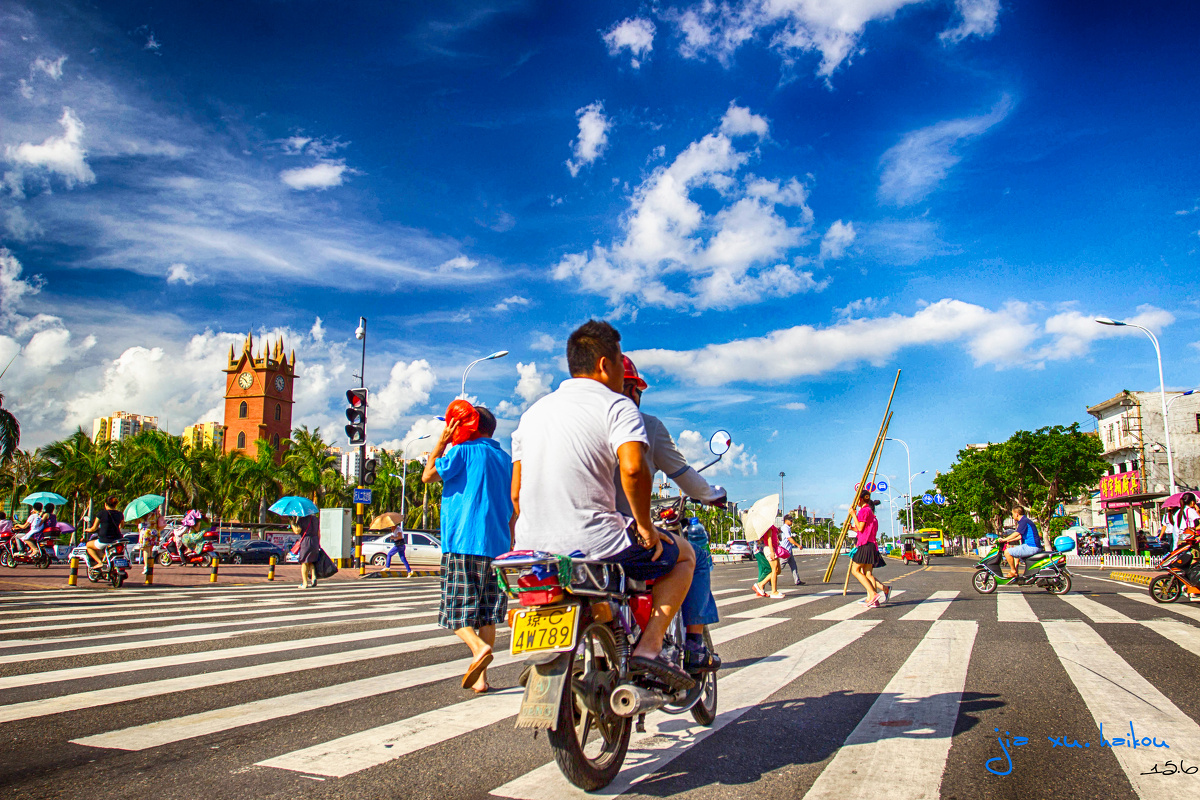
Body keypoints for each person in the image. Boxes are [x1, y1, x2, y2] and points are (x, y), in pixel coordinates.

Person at [511, 320, 696, 690]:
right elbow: (632, 468)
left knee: (603, 585)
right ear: (604, 364)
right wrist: (645, 526)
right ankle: (651, 646)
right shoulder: (617, 407)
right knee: (685, 556)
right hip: (597, 542)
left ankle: (606, 640)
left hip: (532, 549)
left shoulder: (531, 415)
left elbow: (515, 493)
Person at [616, 355, 725, 672]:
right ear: (634, 391)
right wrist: (712, 495)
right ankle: (682, 645)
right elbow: (683, 474)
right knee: (694, 556)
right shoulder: (645, 425)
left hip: (567, 539)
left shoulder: (578, 425)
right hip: (621, 534)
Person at [423, 404, 513, 693]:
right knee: (487, 612)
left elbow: (428, 475)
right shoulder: (505, 459)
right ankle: (482, 681)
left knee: (455, 611)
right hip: (496, 545)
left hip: (462, 541)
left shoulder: (461, 452)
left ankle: (477, 648)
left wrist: (442, 441)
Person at [850, 490, 889, 607]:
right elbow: (864, 529)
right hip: (871, 544)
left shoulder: (863, 511)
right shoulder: (870, 513)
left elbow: (861, 528)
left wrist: (853, 514)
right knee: (867, 573)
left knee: (855, 570)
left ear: (860, 499)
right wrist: (853, 528)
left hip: (865, 544)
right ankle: (874, 600)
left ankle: (872, 594)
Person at [1001, 506, 1041, 579]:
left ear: (1016, 514)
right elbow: (1021, 536)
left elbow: (1017, 533)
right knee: (1016, 555)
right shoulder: (1025, 520)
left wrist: (1004, 540)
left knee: (1007, 552)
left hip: (1031, 546)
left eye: (1013, 514)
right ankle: (1016, 573)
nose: (1012, 516)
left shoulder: (1023, 521)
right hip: (1032, 546)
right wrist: (1009, 540)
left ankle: (1013, 571)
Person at [84, 496, 123, 568]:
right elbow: (122, 526)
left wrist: (88, 530)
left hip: (104, 540)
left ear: (105, 504)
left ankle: (99, 562)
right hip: (117, 539)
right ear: (115, 504)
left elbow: (94, 528)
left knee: (88, 545)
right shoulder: (120, 514)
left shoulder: (102, 513)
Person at [753, 522, 783, 599]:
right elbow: (769, 539)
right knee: (773, 570)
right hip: (770, 549)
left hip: (774, 548)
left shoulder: (773, 527)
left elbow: (777, 538)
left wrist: (778, 532)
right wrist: (771, 551)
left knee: (778, 570)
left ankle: (760, 584)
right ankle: (773, 591)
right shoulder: (768, 526)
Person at [291, 515, 320, 588]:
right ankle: (313, 577)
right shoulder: (315, 519)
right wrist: (318, 543)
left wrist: (292, 523)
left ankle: (305, 583)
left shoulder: (302, 519)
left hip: (306, 541)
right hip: (315, 541)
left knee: (304, 562)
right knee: (311, 561)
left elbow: (297, 531)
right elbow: (318, 532)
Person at [779, 514, 805, 586]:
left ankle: (797, 580)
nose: (792, 521)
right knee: (780, 567)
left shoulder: (787, 528)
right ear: (786, 520)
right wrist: (798, 545)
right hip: (785, 551)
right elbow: (789, 538)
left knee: (794, 566)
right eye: (790, 520)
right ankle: (770, 578)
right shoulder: (785, 528)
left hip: (789, 551)